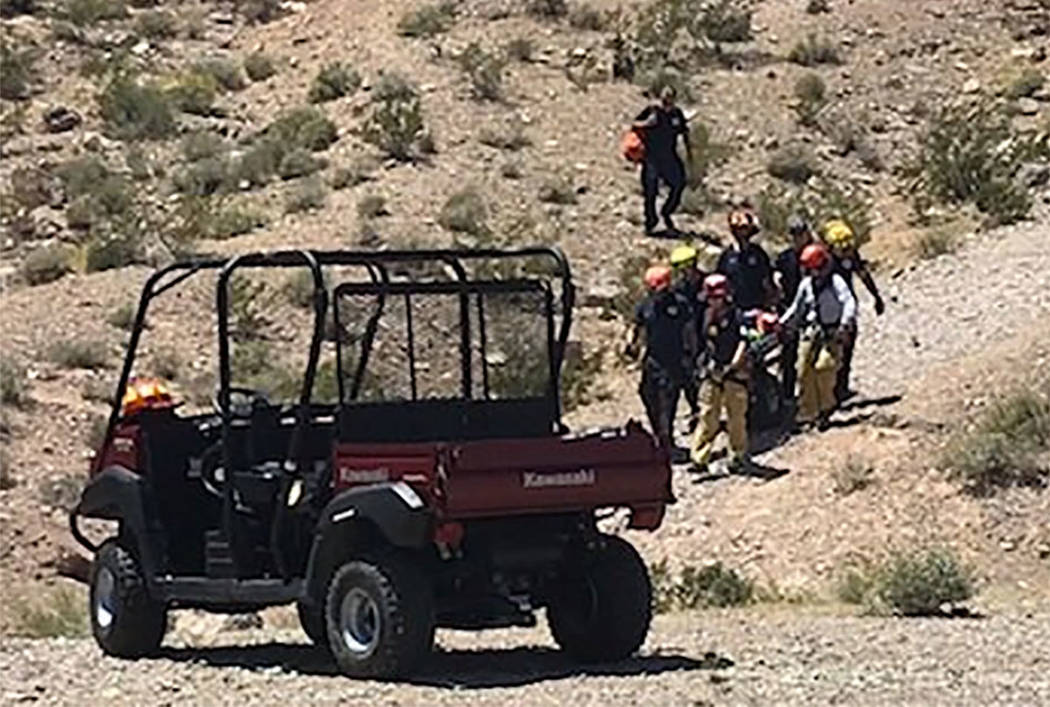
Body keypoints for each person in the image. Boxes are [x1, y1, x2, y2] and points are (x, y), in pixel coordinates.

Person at [779, 244, 857, 431]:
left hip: (832, 333)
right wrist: (782, 324)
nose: (815, 273)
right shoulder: (806, 284)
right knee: (803, 371)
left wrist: (846, 322)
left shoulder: (836, 282)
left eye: (817, 268)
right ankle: (808, 413)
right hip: (810, 332)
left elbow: (848, 301)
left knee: (825, 368)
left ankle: (826, 407)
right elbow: (796, 309)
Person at [626, 264, 696, 451]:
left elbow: (689, 330)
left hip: (674, 360)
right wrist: (631, 343)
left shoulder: (680, 303)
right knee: (647, 395)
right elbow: (635, 325)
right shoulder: (646, 305)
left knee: (668, 402)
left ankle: (667, 438)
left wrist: (692, 354)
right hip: (652, 360)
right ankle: (658, 433)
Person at [689, 273, 751, 474]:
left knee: (736, 418)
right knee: (707, 415)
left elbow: (743, 342)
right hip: (712, 372)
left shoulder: (736, 316)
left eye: (716, 298)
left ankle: (738, 456)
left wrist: (733, 366)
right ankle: (699, 457)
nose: (713, 302)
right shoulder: (706, 316)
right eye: (710, 298)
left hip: (734, 373)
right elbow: (705, 342)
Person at [821, 219, 885, 402]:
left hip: (847, 307)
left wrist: (876, 296)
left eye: (848, 249)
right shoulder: (825, 261)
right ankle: (828, 391)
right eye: (842, 250)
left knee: (847, 348)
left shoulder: (851, 256)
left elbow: (863, 273)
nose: (846, 254)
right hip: (828, 309)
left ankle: (841, 388)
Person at [633, 85, 691, 235]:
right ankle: (650, 223)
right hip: (651, 157)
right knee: (650, 191)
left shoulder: (677, 114)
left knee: (679, 183)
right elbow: (634, 124)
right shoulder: (653, 110)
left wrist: (689, 152)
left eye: (670, 97)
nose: (667, 101)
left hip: (669, 156)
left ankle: (667, 211)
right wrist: (647, 124)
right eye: (665, 97)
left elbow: (684, 132)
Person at [772, 215, 815, 401]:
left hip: (812, 311)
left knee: (811, 353)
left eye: (801, 233)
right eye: (794, 234)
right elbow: (775, 280)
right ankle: (787, 394)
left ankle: (812, 394)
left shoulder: (817, 255)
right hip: (788, 308)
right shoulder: (785, 258)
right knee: (788, 354)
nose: (798, 238)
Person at [670, 244, 704, 429]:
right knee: (688, 378)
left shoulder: (707, 285)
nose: (683, 274)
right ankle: (695, 410)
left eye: (686, 269)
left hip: (707, 333)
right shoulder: (678, 290)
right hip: (687, 338)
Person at [716, 208, 774, 312]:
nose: (741, 232)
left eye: (744, 228)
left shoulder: (758, 254)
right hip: (735, 310)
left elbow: (767, 281)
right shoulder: (727, 256)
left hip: (757, 308)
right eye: (738, 228)